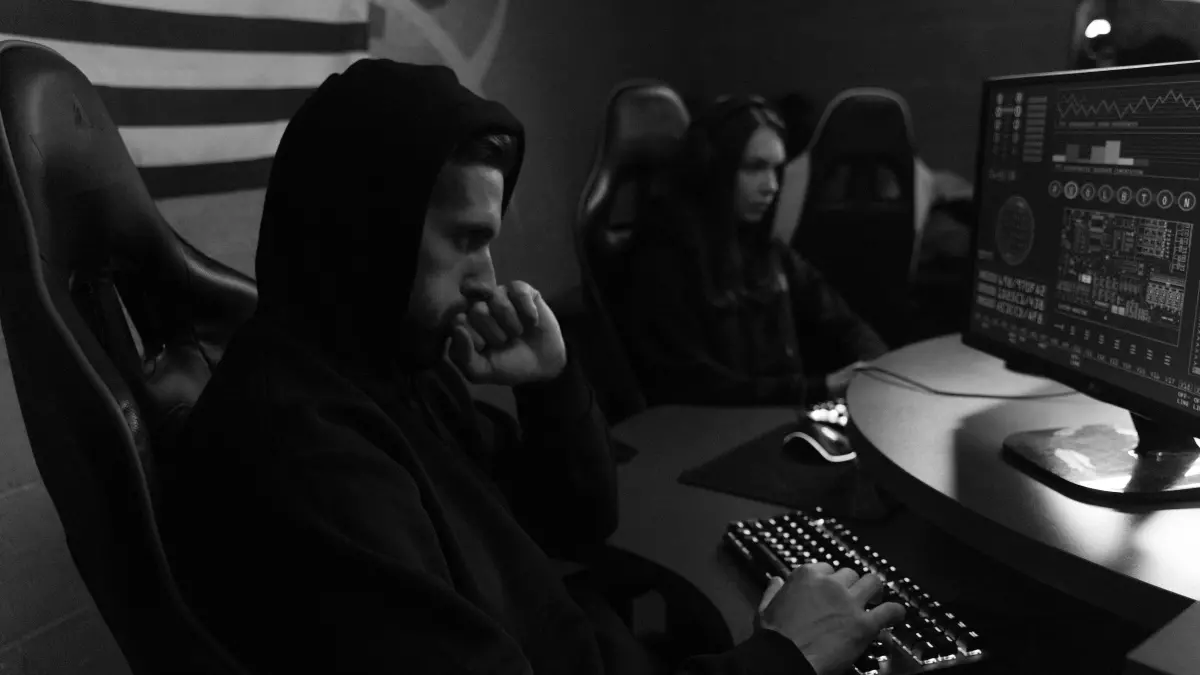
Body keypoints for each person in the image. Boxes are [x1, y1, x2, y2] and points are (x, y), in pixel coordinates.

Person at [159, 60, 904, 675]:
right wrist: (784, 657)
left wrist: (549, 384)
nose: (488, 276)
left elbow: (574, 520)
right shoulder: (306, 455)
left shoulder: (392, 374)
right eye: (465, 238)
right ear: (365, 236)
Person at [622, 96, 888, 407]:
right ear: (713, 169)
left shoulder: (765, 250)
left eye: (776, 170)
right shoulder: (663, 256)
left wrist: (876, 366)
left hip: (774, 419)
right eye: (755, 168)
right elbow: (692, 384)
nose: (771, 186)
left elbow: (841, 319)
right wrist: (820, 389)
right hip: (713, 434)